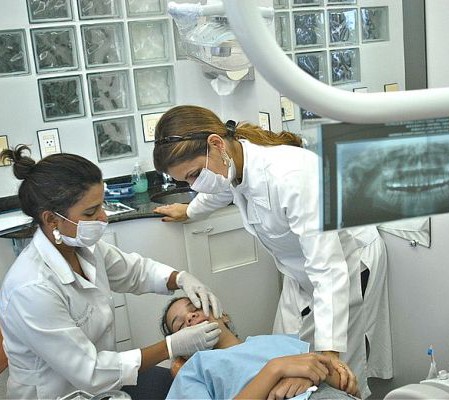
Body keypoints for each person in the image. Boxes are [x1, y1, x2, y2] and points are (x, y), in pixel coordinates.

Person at [152, 105, 393, 398]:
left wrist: (329, 353)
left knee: (340, 372)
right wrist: (189, 211)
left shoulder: (291, 175)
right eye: (187, 181)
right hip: (299, 272)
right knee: (285, 352)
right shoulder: (231, 164)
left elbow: (328, 270)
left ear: (216, 144)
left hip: (345, 266)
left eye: (193, 175)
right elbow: (219, 192)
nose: (194, 185)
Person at [0, 145, 224, 400]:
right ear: (52, 220)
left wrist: (181, 278)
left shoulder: (83, 248)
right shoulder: (31, 289)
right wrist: (172, 346)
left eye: (101, 205)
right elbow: (91, 371)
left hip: (102, 385)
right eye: (90, 212)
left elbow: (136, 272)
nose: (103, 218)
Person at [161, 296, 360, 400]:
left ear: (224, 316)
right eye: (180, 325)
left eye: (196, 307)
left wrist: (312, 377)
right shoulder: (193, 370)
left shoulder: (276, 341)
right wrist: (275, 370)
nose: (190, 317)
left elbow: (350, 387)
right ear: (181, 349)